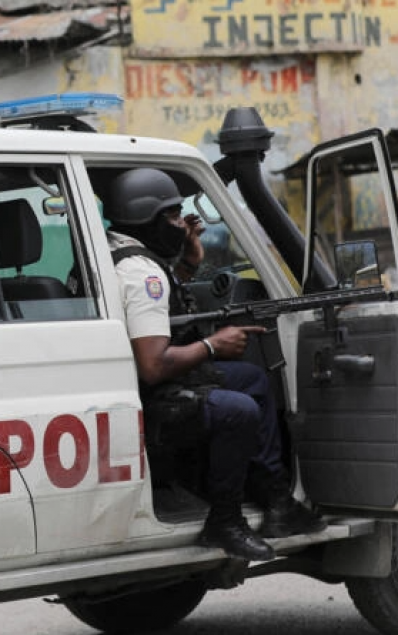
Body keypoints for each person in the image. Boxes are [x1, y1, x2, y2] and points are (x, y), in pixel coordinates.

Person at [105, 167, 326, 561]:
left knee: (252, 379)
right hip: (150, 400)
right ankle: (225, 521)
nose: (181, 224)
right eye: (173, 217)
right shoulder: (140, 274)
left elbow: (159, 308)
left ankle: (276, 500)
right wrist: (212, 345)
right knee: (236, 410)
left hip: (137, 387)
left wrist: (189, 262)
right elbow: (154, 366)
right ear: (148, 220)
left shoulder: (117, 252)